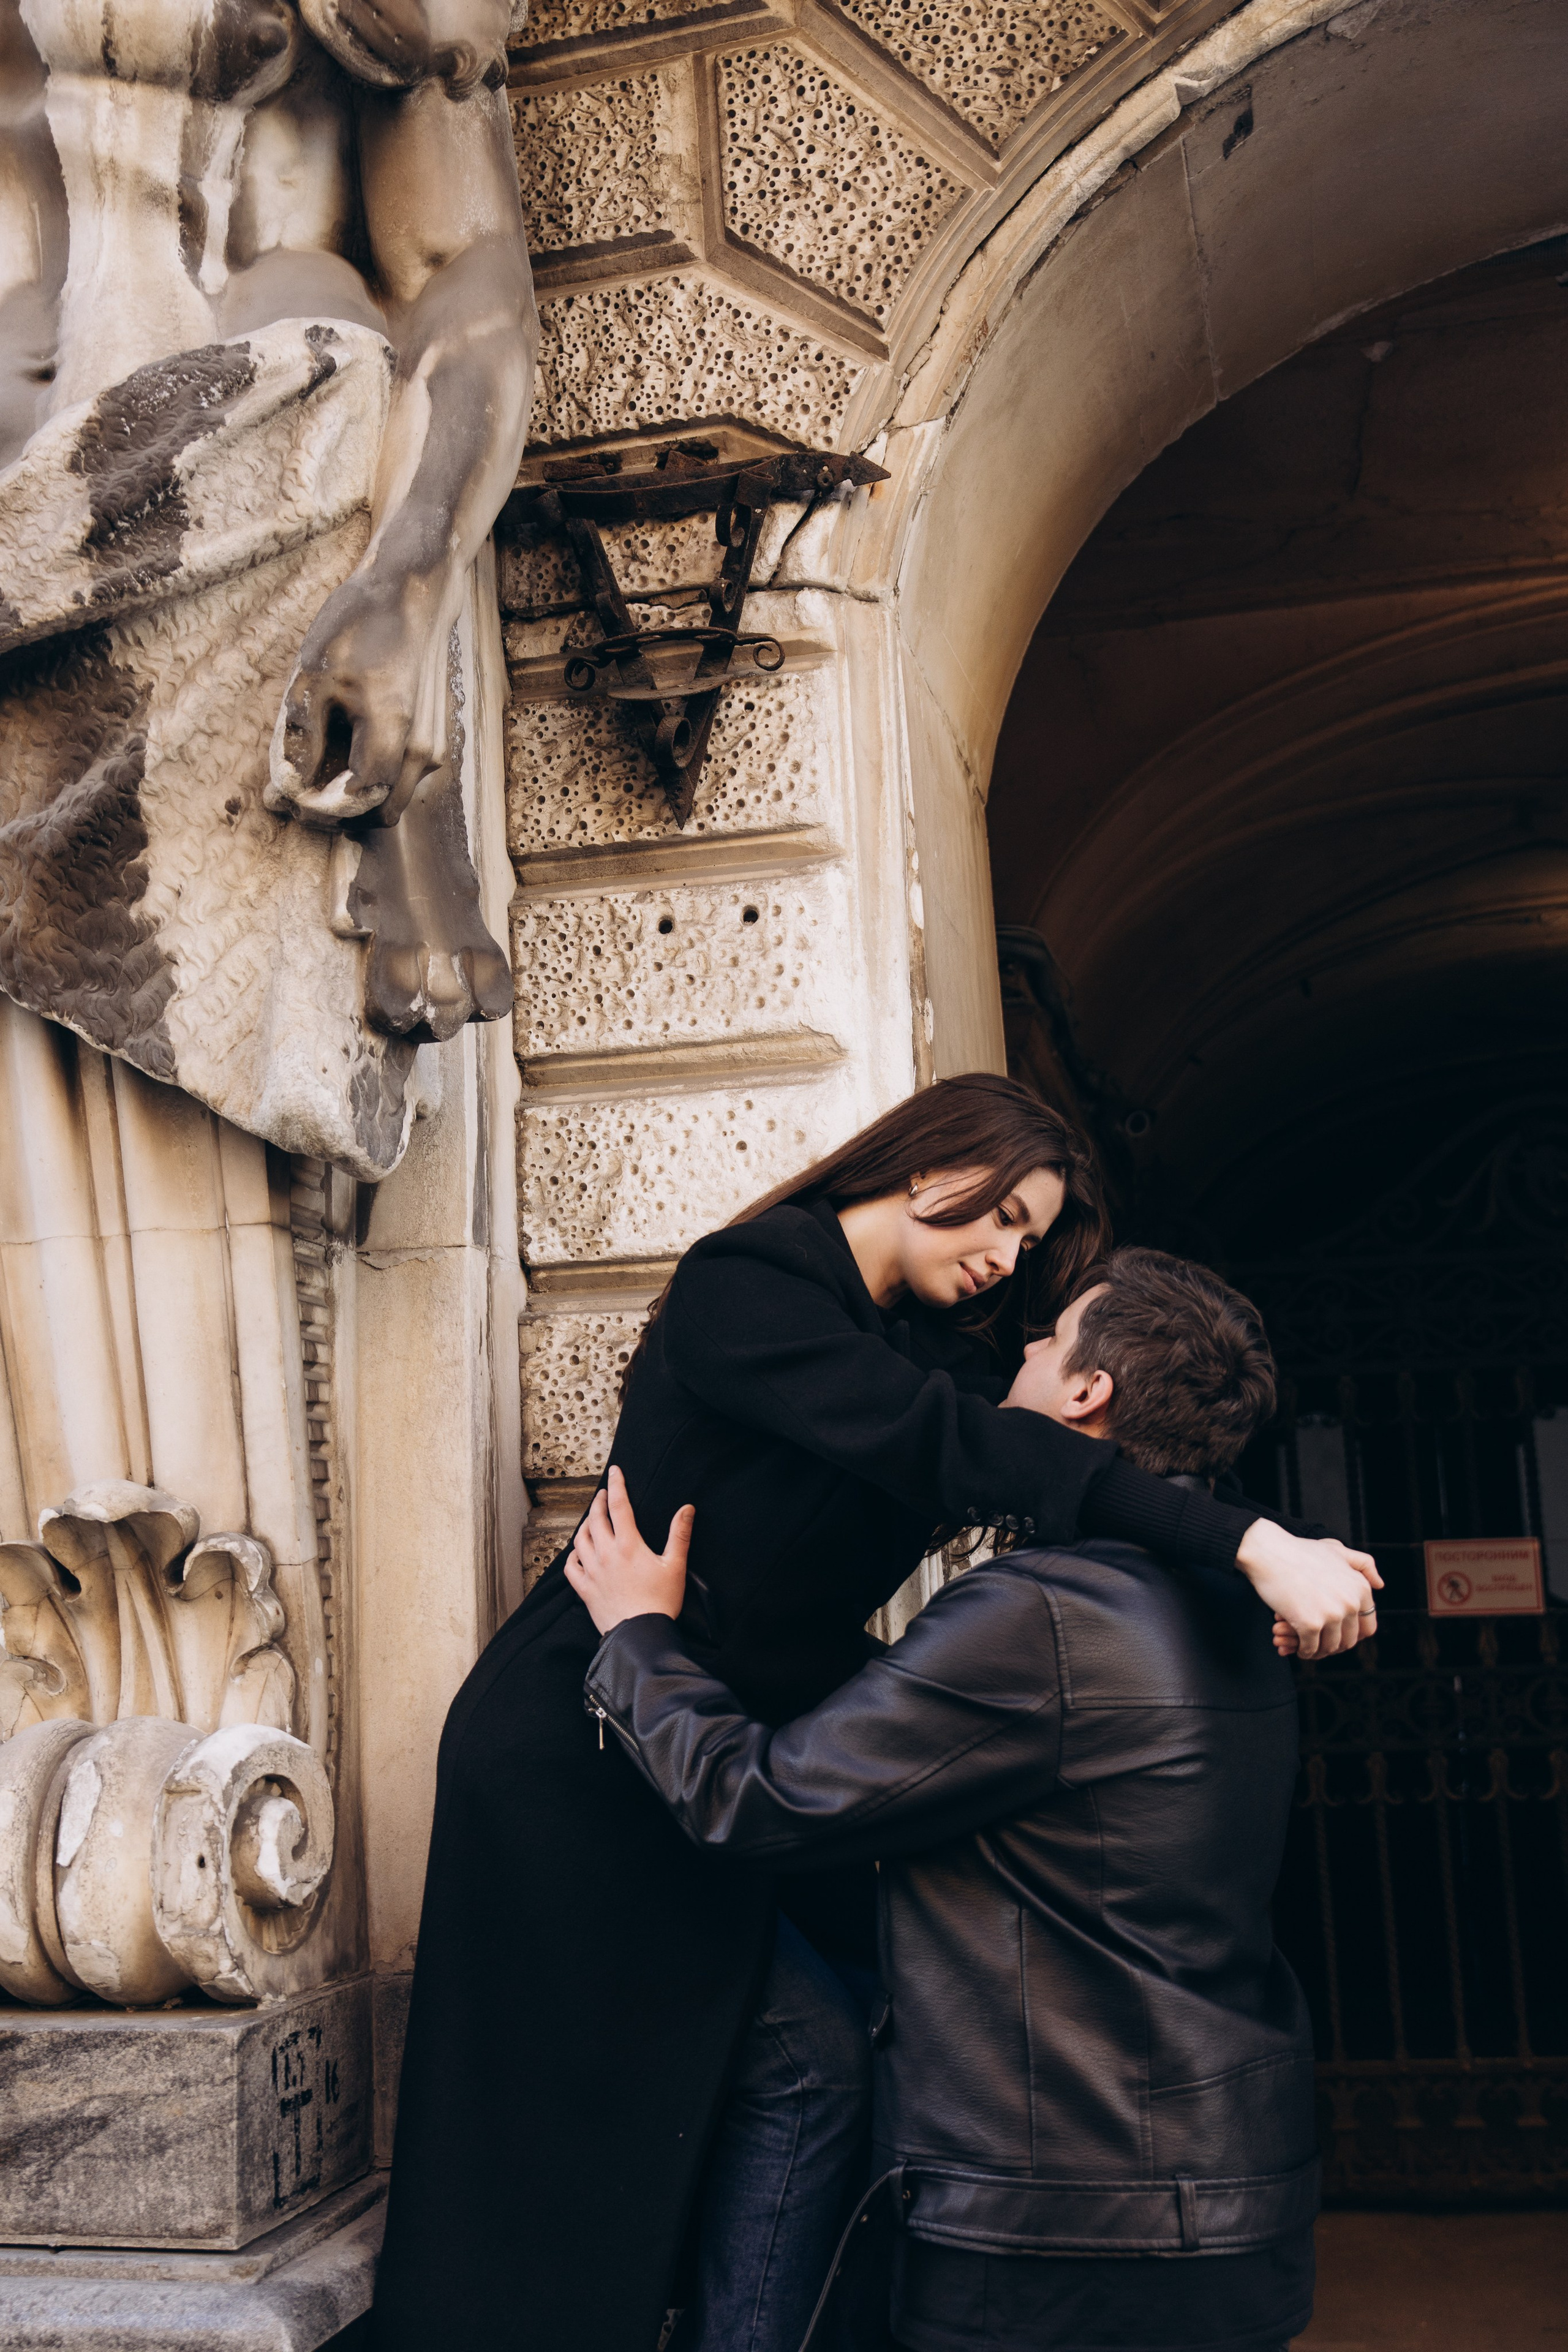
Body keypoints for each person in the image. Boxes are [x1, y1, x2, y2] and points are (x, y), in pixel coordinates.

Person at [373, 1077, 1376, 2350]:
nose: (1004, 1257)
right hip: (587, 1748)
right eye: (998, 1215)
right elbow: (955, 1449)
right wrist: (1240, 1539)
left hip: (712, 1743)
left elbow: (1057, 1460)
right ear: (928, 1165)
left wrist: (1224, 1587)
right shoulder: (753, 1287)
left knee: (825, 2055)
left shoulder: (933, 1353)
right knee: (645, 2114)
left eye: (1027, 1242)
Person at [569, 1247, 1324, 2352]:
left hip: (1063, 2231)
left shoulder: (1045, 1618)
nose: (1019, 1344)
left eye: (1049, 1333)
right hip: (1230, 2197)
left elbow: (761, 1800)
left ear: (1086, 1392)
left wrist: (639, 1639)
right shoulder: (1225, 1599)